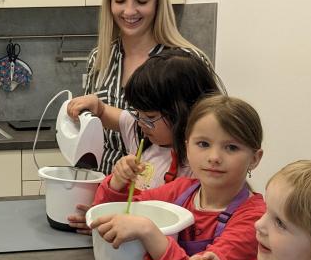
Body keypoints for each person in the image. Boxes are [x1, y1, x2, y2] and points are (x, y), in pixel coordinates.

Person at [89, 95, 266, 260]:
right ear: (187, 147)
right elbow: (107, 217)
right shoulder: (181, 190)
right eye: (203, 144)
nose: (214, 157)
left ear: (254, 159)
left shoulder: (255, 219)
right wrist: (118, 182)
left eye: (231, 147)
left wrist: (148, 231)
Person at [66, 0, 210, 175]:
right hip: (103, 184)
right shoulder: (101, 57)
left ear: (158, 2)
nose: (129, 11)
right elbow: (91, 130)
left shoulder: (186, 61)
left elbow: (211, 136)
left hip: (163, 189)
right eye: (119, 0)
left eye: (142, 0)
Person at [67, 50, 223, 232]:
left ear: (186, 112)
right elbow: (103, 112)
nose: (140, 123)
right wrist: (96, 105)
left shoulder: (200, 163)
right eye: (137, 113)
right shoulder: (139, 131)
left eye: (150, 117)